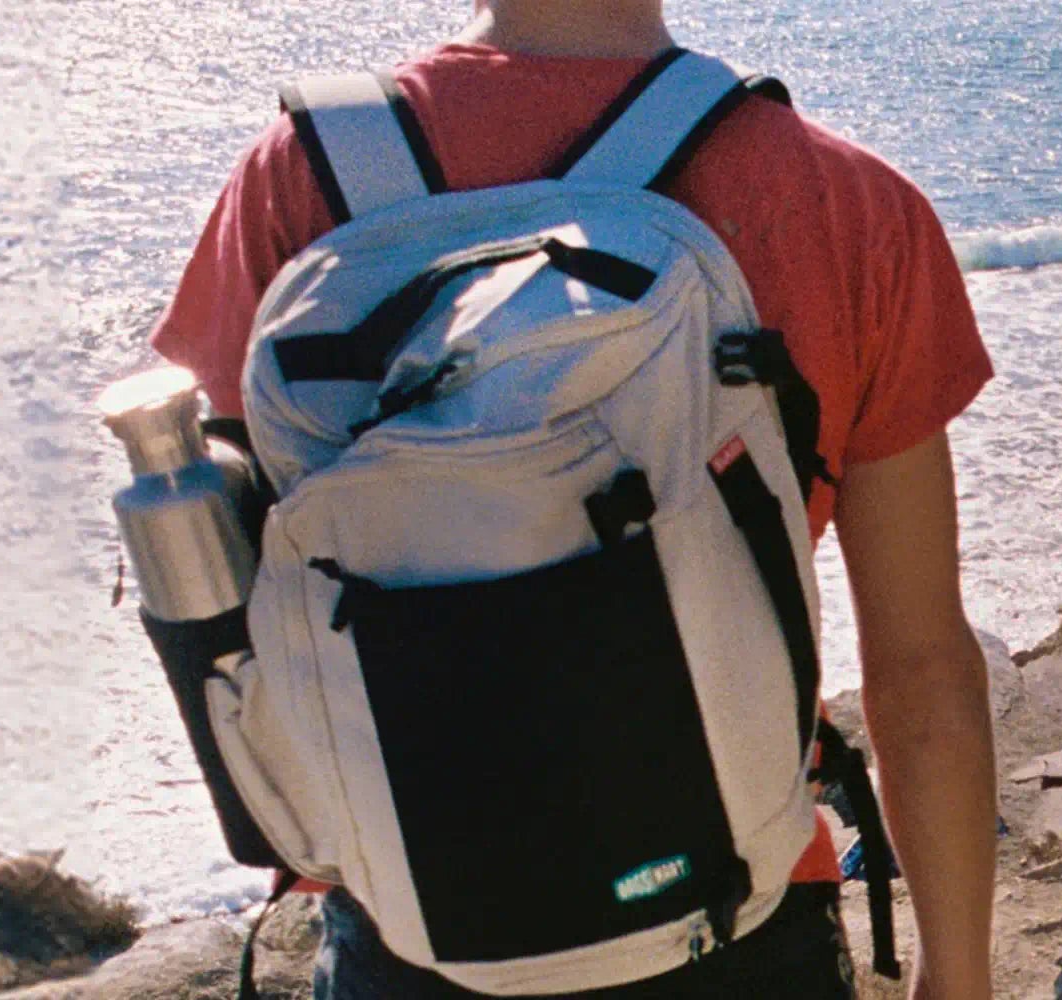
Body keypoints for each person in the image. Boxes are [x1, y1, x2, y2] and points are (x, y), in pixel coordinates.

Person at [146, 1, 998, 996]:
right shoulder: (848, 204)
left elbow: (235, 600)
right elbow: (922, 671)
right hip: (733, 910)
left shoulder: (299, 175)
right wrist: (958, 977)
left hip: (420, 914)